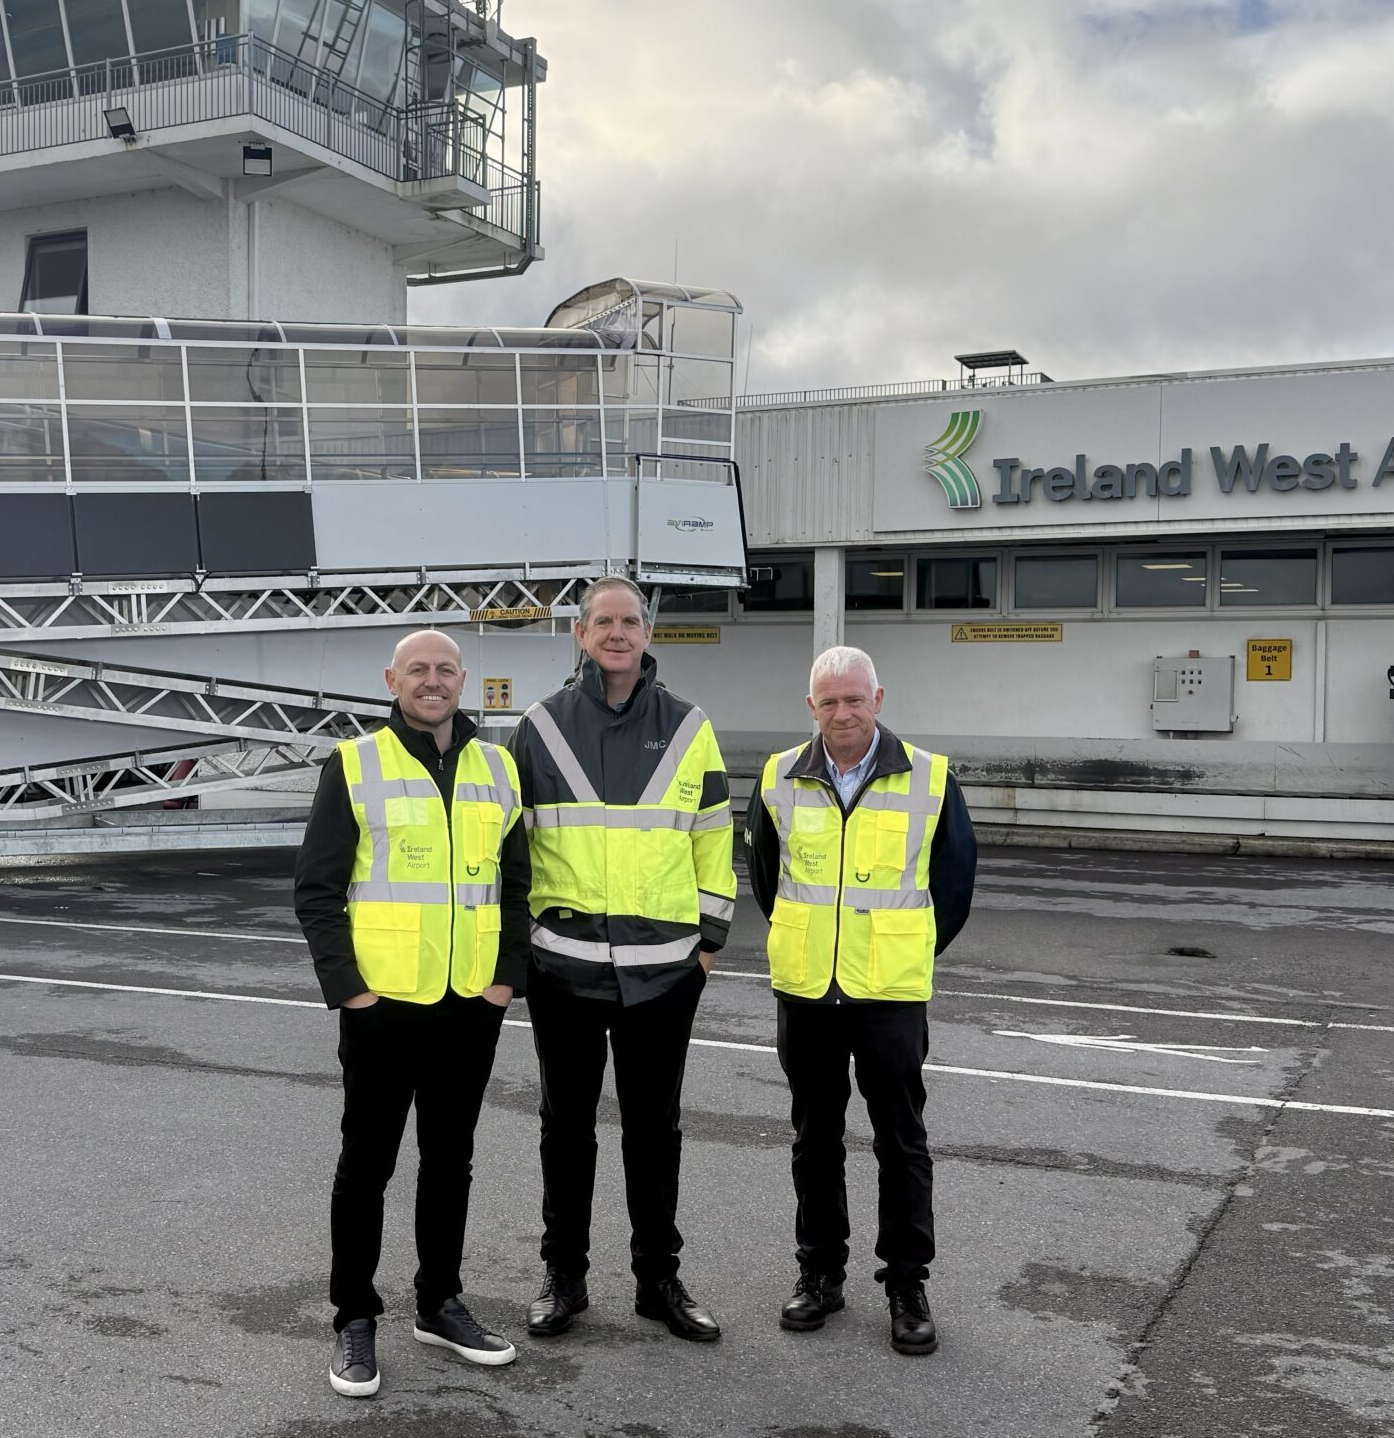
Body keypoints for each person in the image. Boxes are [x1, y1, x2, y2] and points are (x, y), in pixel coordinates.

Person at [293, 628, 532, 1399]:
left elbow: (519, 887)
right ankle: (354, 1315)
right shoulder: (355, 763)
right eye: (418, 669)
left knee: (450, 1161)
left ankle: (438, 1302)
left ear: (464, 679)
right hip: (383, 1007)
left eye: (446, 669)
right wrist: (351, 992)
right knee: (366, 1165)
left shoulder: (498, 767)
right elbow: (318, 889)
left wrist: (503, 983)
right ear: (393, 679)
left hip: (470, 1004)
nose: (433, 680)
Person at [509, 575, 735, 1343]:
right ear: (580, 634)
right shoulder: (538, 726)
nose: (615, 632)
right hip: (563, 969)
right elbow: (515, 847)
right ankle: (563, 1277)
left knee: (654, 1131)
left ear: (647, 632)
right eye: (601, 620)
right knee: (565, 1130)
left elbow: (713, 837)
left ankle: (657, 1280)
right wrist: (522, 952)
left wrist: (708, 947)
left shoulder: (688, 726)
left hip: (665, 973)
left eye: (628, 620)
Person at [745, 644, 976, 1356]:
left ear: (880, 699)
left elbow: (955, 887)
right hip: (808, 991)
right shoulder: (779, 775)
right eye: (828, 701)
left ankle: (907, 1282)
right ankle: (820, 1273)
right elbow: (765, 876)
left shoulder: (932, 778)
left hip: (889, 996)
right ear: (810, 706)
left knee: (901, 1140)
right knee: (814, 1140)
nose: (842, 712)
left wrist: (898, 952)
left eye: (854, 699)